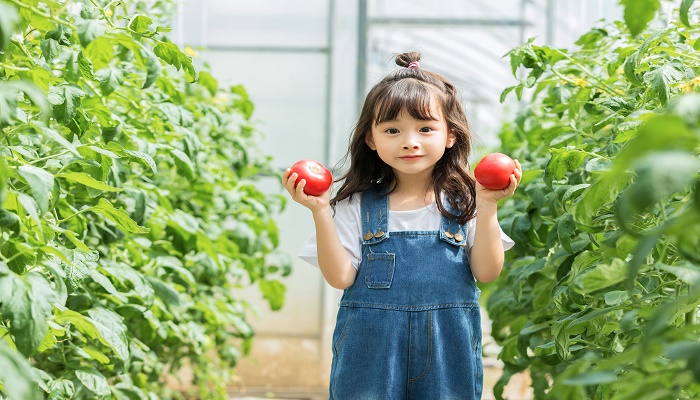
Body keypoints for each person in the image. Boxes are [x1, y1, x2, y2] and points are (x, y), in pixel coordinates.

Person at [282, 51, 522, 400]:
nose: (410, 141)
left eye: (425, 129)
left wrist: (487, 206)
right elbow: (341, 278)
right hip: (370, 352)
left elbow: (486, 272)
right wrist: (320, 210)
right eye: (392, 130)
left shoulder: (467, 203)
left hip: (447, 350)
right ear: (371, 139)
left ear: (450, 135)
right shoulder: (354, 206)